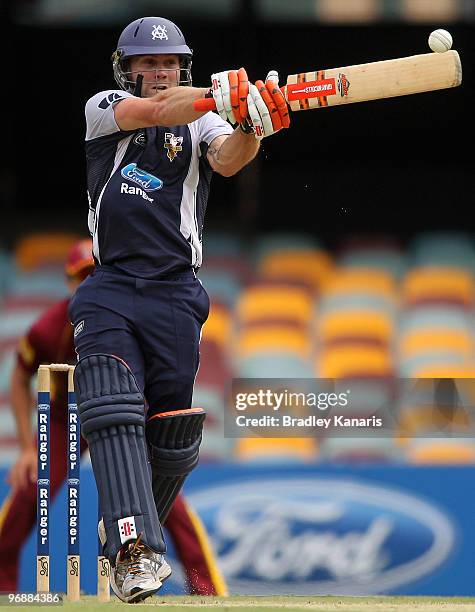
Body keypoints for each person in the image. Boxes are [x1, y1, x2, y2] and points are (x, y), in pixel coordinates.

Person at [68, 15, 289, 603]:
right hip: (112, 284)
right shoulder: (106, 108)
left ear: (182, 66)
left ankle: (125, 547)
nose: (160, 73)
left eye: (168, 64)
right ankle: (134, 550)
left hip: (176, 292)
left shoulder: (205, 120)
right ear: (128, 70)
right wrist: (225, 94)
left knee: (172, 435)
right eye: (148, 64)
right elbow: (157, 113)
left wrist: (252, 124)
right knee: (111, 402)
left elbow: (228, 158)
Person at [0, 239, 228, 597]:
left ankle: (209, 592)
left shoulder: (137, 311)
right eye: (81, 276)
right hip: (68, 420)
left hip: (126, 419)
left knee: (166, 505)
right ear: (71, 283)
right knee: (30, 493)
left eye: (94, 272)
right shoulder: (52, 325)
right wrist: (29, 448)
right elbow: (20, 374)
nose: (88, 280)